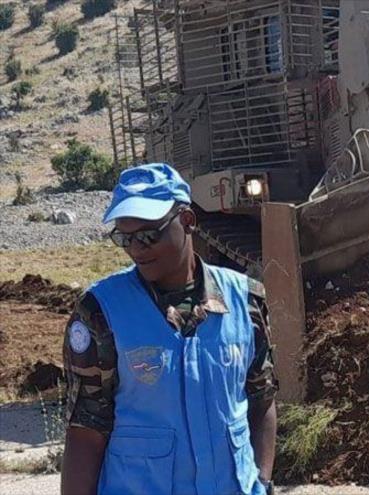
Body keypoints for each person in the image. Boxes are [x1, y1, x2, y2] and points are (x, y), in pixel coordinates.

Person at [61, 163, 278, 495]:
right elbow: (86, 429)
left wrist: (262, 482)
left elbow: (260, 398)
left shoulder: (244, 301)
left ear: (187, 221)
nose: (136, 249)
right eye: (125, 238)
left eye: (149, 234)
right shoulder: (101, 313)